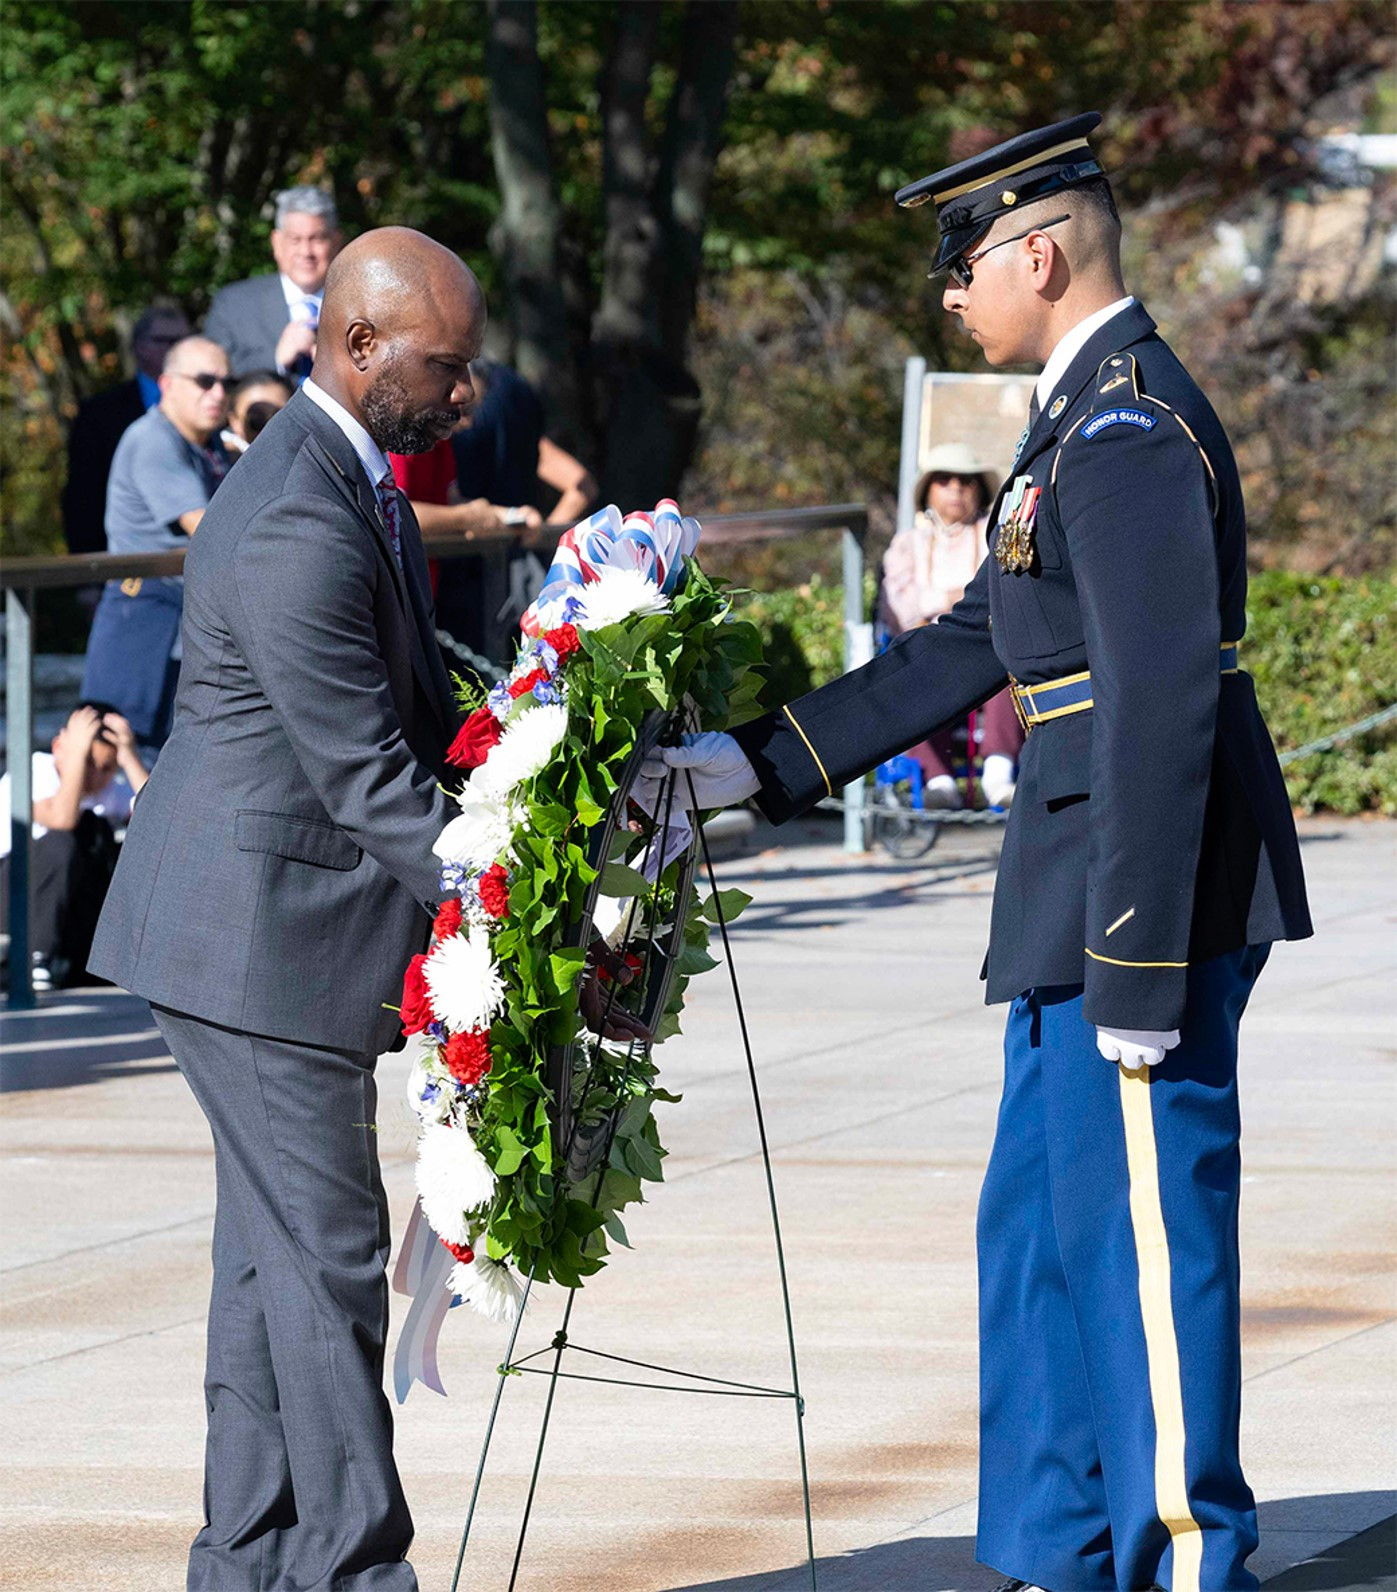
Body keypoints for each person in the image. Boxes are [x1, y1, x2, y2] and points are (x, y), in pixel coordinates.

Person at [648, 114, 1312, 1592]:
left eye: (964, 261)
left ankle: (1194, 1562)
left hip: (1137, 903)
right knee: (1039, 1240)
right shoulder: (1071, 420)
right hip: (1073, 892)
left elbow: (1155, 706)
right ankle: (1059, 1548)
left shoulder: (1128, 423)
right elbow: (970, 645)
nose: (950, 293)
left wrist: (1136, 961)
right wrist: (756, 763)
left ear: (1041, 253)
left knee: (1141, 1251)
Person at [88, 225, 487, 1592]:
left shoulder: (351, 478)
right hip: (253, 937)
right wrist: (514, 904)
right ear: (361, 344)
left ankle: (246, 1559)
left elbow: (411, 726)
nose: (466, 395)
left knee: (269, 1271)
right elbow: (371, 780)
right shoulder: (301, 511)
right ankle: (354, 1571)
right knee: (324, 1255)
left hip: (270, 927)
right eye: (447, 366)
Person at [79, 336, 232, 751]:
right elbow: (209, 529)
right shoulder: (152, 439)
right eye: (204, 381)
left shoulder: (212, 445)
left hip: (177, 614)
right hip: (143, 618)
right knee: (126, 758)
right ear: (167, 384)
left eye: (224, 382)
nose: (218, 393)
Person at [879, 442, 1022, 807]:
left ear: (980, 490)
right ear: (928, 489)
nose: (956, 488)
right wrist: (959, 598)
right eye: (944, 479)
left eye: (966, 480)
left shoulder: (997, 539)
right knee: (906, 673)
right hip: (930, 649)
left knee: (1011, 660)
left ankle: (998, 773)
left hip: (986, 648)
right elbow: (902, 608)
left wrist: (939, 600)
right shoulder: (906, 545)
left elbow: (1007, 593)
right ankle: (937, 781)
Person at [0, 704, 148, 990]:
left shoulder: (107, 791)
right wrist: (76, 754)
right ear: (58, 746)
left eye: (106, 768)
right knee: (63, 840)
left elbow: (163, 816)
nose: (94, 777)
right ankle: (35, 958)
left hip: (65, 914)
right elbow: (61, 819)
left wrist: (130, 759)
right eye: (88, 762)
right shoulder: (33, 772)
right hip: (11, 899)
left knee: (109, 838)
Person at [61, 303, 191, 555]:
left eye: (182, 341)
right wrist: (89, 568)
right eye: (163, 340)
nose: (174, 349)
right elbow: (83, 494)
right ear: (139, 347)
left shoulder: (211, 403)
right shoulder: (100, 413)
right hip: (122, 561)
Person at [203, 186, 342, 378]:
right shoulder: (234, 305)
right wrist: (276, 360)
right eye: (295, 239)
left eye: (317, 239)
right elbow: (212, 372)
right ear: (276, 243)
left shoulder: (359, 305)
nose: (306, 252)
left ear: (335, 242)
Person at [221, 369, 294, 455]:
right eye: (258, 418)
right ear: (235, 422)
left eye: (280, 416)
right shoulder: (225, 460)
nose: (269, 426)